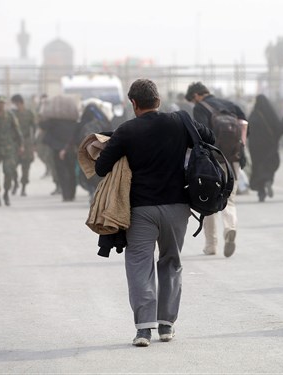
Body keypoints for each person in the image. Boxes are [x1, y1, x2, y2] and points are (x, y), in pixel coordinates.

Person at [95, 79, 215, 347]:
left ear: (133, 104)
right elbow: (210, 137)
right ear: (158, 101)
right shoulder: (179, 121)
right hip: (177, 208)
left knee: (140, 265)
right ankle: (167, 326)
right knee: (171, 261)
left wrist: (117, 141)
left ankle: (143, 331)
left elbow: (102, 168)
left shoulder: (126, 131)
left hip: (141, 210)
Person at [186, 82, 247, 257]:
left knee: (209, 199)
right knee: (230, 198)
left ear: (197, 95)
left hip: (212, 161)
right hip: (233, 159)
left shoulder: (200, 108)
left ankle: (211, 245)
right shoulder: (230, 105)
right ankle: (230, 228)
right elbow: (244, 129)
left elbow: (200, 135)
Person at [39, 96, 82, 202]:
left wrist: (42, 111)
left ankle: (66, 195)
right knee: (71, 171)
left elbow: (42, 125)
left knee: (62, 172)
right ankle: (71, 194)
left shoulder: (53, 121)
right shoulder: (74, 122)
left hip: (58, 149)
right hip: (71, 149)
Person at [248, 94, 283, 202]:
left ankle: (261, 192)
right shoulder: (271, 114)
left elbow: (248, 130)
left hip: (256, 148)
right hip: (270, 146)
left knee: (258, 167)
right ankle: (268, 179)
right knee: (269, 165)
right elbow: (279, 127)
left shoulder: (254, 114)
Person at [11, 94, 37, 197]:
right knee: (12, 165)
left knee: (26, 166)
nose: (16, 106)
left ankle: (23, 187)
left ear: (20, 103)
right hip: (15, 142)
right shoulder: (12, 114)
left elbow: (34, 127)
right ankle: (15, 182)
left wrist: (33, 142)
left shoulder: (29, 113)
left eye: (16, 103)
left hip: (26, 142)